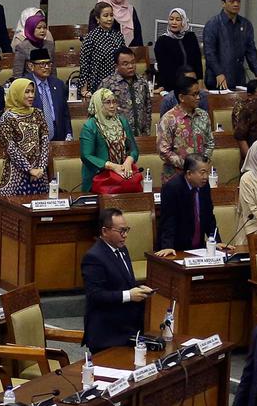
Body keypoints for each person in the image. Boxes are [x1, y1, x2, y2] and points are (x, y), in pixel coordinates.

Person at [81, 208, 152, 354]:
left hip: (127, 327)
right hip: (106, 333)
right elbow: (95, 295)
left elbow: (124, 283)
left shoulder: (123, 250)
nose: (125, 235)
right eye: (121, 231)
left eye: (126, 230)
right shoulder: (93, 258)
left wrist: (139, 289)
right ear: (105, 231)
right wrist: (129, 295)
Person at [156, 156, 219, 256]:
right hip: (176, 248)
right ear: (189, 174)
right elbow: (168, 220)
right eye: (202, 173)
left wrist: (216, 241)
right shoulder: (172, 187)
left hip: (199, 249)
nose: (206, 177)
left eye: (207, 172)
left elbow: (209, 216)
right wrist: (167, 246)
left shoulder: (204, 186)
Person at [80, 88, 140, 193]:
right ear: (99, 104)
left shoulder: (122, 121)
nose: (112, 106)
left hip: (123, 175)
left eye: (114, 102)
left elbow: (134, 149)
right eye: (107, 102)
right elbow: (86, 156)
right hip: (99, 177)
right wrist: (111, 166)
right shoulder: (90, 126)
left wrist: (128, 161)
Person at [0, 79, 50, 196]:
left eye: (32, 92)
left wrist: (40, 168)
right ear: (17, 93)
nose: (31, 96)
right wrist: (29, 170)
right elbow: (10, 148)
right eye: (26, 92)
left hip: (39, 175)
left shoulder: (38, 113)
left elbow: (45, 142)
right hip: (16, 174)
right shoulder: (7, 118)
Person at [204, 0, 257, 90]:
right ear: (223, 3)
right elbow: (209, 53)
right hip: (218, 80)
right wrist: (219, 73)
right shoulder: (213, 24)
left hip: (239, 79)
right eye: (232, 1)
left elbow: (251, 51)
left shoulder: (246, 24)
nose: (236, 4)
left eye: (238, 1)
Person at [157, 76, 214, 182]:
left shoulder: (203, 116)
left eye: (198, 94)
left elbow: (210, 142)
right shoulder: (168, 119)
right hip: (175, 177)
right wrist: (189, 166)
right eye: (194, 95)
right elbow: (164, 151)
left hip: (200, 177)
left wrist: (202, 164)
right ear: (182, 97)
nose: (198, 98)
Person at [98, 47, 153, 138]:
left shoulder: (142, 82)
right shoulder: (107, 84)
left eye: (133, 62)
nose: (131, 66)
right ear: (116, 66)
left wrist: (146, 132)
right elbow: (99, 112)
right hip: (116, 138)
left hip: (140, 136)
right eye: (125, 64)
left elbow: (148, 109)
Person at [77, 2, 123, 98]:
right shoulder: (91, 38)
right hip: (97, 84)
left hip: (117, 84)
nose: (109, 19)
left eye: (111, 15)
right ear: (97, 19)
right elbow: (84, 65)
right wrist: (84, 89)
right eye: (105, 16)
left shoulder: (118, 36)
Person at [25, 48, 71, 142]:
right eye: (42, 64)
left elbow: (65, 113)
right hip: (35, 136)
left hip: (58, 133)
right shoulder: (24, 84)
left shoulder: (58, 84)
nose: (46, 67)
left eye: (49, 63)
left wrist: (68, 133)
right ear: (31, 66)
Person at [153, 7, 203, 92]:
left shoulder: (191, 37)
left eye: (178, 19)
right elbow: (162, 67)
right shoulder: (162, 41)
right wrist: (162, 85)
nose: (174, 22)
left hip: (191, 84)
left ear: (183, 22)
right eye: (171, 19)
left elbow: (197, 62)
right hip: (171, 85)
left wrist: (200, 82)